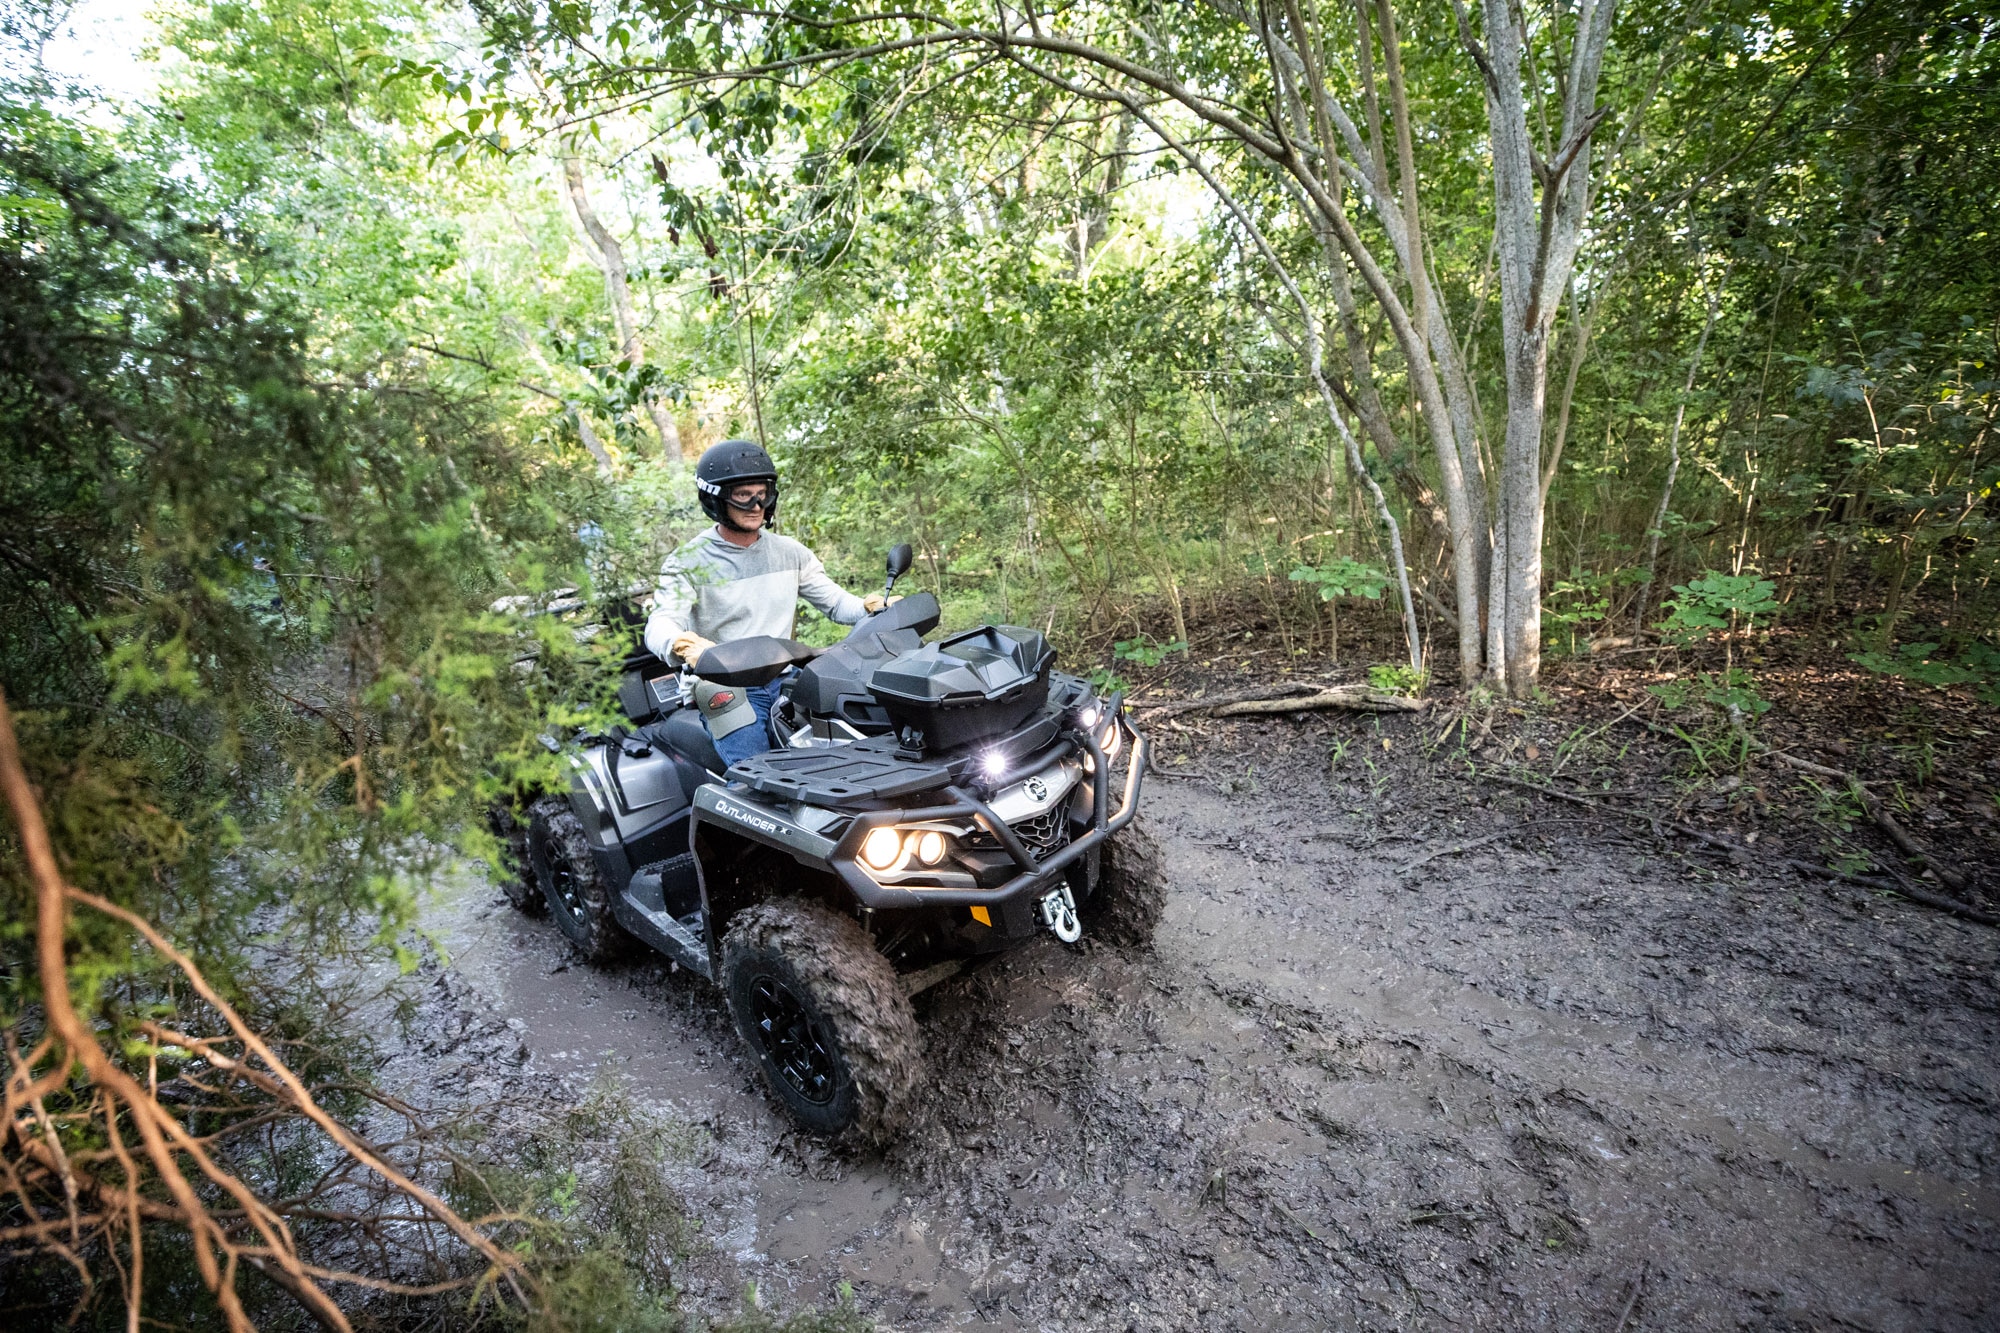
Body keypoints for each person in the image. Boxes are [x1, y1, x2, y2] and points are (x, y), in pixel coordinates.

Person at [642, 439, 895, 766]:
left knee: (849, 750)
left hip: (786, 677)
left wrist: (870, 607)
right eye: (743, 495)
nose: (756, 504)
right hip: (724, 683)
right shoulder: (688, 561)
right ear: (716, 498)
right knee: (756, 775)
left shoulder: (790, 552)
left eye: (761, 493)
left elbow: (836, 603)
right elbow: (660, 622)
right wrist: (681, 643)